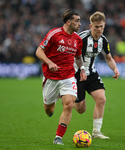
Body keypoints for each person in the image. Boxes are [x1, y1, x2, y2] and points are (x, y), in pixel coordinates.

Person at [35, 9, 87, 145]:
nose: (80, 24)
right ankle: (52, 104)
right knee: (49, 110)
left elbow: (78, 57)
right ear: (68, 22)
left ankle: (58, 137)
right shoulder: (54, 34)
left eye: (80, 21)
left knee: (69, 105)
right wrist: (49, 62)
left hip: (68, 77)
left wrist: (82, 69)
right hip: (51, 77)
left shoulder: (77, 39)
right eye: (77, 21)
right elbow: (39, 51)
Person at [74, 11, 120, 139]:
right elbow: (72, 55)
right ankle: (67, 95)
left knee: (101, 99)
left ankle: (96, 132)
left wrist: (115, 69)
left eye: (101, 26)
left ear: (104, 25)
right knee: (80, 109)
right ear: (90, 26)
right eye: (96, 27)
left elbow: (109, 58)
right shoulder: (81, 38)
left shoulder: (103, 40)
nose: (99, 29)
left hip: (91, 73)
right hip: (77, 74)